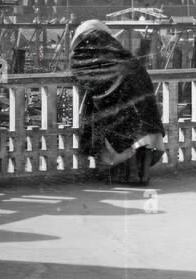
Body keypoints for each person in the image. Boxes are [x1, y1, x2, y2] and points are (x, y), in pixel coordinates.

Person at [70, 20, 165, 185]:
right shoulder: (124, 57)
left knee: (121, 137)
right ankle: (138, 176)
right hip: (142, 112)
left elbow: (87, 77)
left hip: (120, 112)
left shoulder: (85, 55)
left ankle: (126, 176)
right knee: (140, 142)